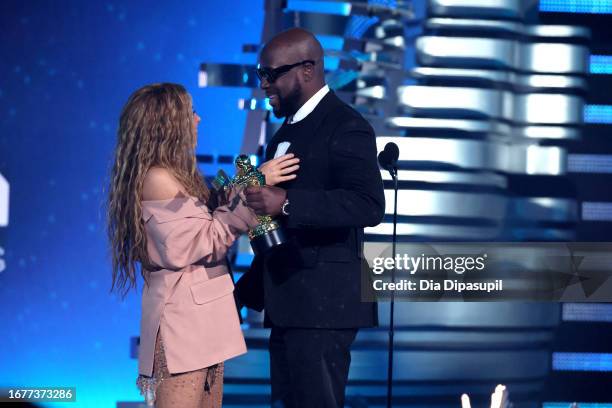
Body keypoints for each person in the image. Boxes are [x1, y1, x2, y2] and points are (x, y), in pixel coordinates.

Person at [106, 83, 299, 407]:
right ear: (167, 125)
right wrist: (256, 184)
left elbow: (204, 225)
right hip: (183, 328)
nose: (197, 119)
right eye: (189, 113)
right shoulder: (158, 179)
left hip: (203, 322)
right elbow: (201, 242)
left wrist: (235, 193)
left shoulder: (176, 176)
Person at [236, 28, 385, 408]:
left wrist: (286, 202)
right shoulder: (281, 135)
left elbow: (368, 204)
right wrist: (239, 292)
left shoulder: (345, 124)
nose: (264, 84)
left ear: (307, 69)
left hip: (324, 306)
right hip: (288, 302)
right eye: (260, 76)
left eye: (271, 74)